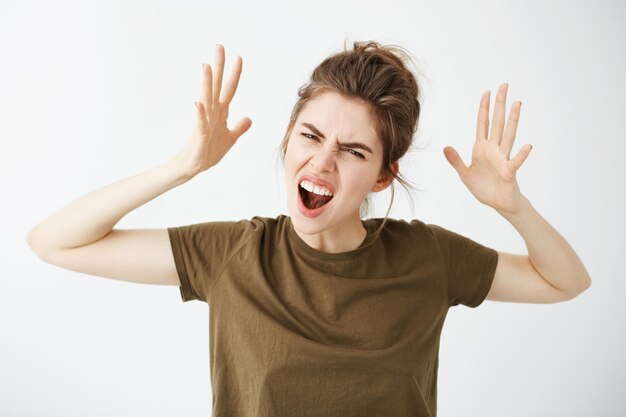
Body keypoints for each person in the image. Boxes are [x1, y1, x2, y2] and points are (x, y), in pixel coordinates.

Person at [26, 41, 592, 417]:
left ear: (381, 177)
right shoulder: (233, 254)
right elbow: (53, 241)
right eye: (311, 135)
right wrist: (183, 167)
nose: (321, 164)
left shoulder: (428, 259)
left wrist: (512, 207)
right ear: (288, 137)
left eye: (353, 150)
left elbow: (566, 281)